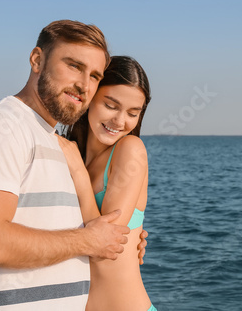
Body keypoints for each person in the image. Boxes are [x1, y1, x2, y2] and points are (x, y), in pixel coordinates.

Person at [0, 20, 148, 311]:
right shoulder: (3, 124)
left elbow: (98, 236)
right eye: (73, 66)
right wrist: (87, 240)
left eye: (94, 75)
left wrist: (133, 233)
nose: (83, 84)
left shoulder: (57, 143)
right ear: (36, 60)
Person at [57, 56, 156, 310]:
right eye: (111, 106)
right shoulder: (69, 154)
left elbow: (105, 244)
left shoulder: (130, 150)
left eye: (133, 113)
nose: (120, 121)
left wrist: (79, 174)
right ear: (90, 97)